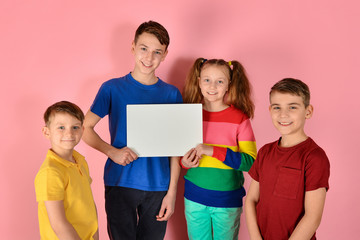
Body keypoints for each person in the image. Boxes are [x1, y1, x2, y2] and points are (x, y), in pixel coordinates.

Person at [82, 20, 182, 240]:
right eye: (144, 49)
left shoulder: (171, 94)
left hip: (158, 186)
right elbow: (85, 127)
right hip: (120, 182)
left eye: (157, 52)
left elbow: (177, 149)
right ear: (133, 47)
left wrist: (172, 193)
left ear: (165, 55)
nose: (149, 57)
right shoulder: (111, 88)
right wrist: (112, 152)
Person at [181, 58, 257, 240]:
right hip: (194, 198)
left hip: (227, 201)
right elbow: (179, 155)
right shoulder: (188, 114)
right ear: (198, 81)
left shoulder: (240, 119)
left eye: (220, 81)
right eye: (207, 79)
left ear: (229, 84)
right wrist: (183, 162)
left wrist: (213, 151)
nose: (212, 86)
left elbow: (251, 163)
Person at [245, 78, 330, 240]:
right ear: (270, 110)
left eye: (292, 107)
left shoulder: (315, 157)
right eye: (277, 107)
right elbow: (251, 200)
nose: (283, 114)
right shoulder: (264, 152)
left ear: (308, 111)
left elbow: (312, 218)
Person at [34, 101, 99, 240]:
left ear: (82, 130)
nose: (69, 133)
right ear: (47, 132)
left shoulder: (80, 161)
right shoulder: (50, 172)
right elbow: (59, 224)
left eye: (75, 127)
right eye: (61, 127)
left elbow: (89, 204)